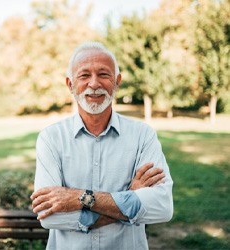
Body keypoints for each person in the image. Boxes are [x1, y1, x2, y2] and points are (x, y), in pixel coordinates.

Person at [31, 41, 173, 250]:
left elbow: (161, 207)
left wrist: (80, 198)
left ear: (117, 82)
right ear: (70, 85)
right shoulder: (51, 138)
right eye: (84, 75)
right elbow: (49, 218)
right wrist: (129, 199)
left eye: (104, 74)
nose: (94, 84)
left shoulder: (143, 136)